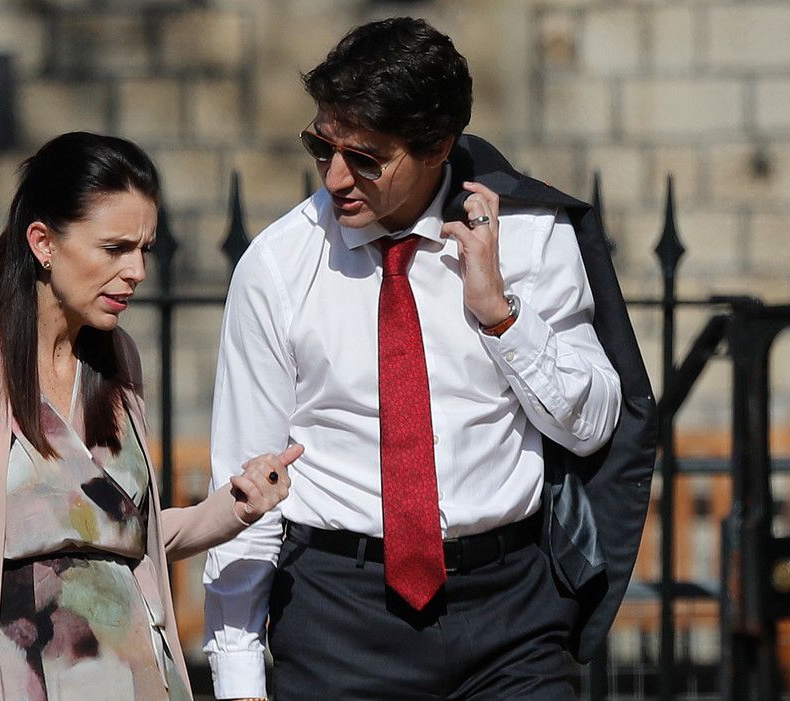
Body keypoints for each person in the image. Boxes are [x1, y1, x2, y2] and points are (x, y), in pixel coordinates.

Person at [203, 17, 654, 701]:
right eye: (320, 147)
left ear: (438, 147)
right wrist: (238, 678)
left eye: (366, 158)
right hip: (338, 618)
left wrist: (502, 316)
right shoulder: (278, 266)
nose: (335, 177)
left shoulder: (529, 236)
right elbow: (245, 486)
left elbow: (592, 426)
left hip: (511, 616)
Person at [0, 131, 300, 701]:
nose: (137, 270)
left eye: (144, 249)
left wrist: (234, 507)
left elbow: (115, 535)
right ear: (43, 242)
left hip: (138, 680)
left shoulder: (118, 362)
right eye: (115, 249)